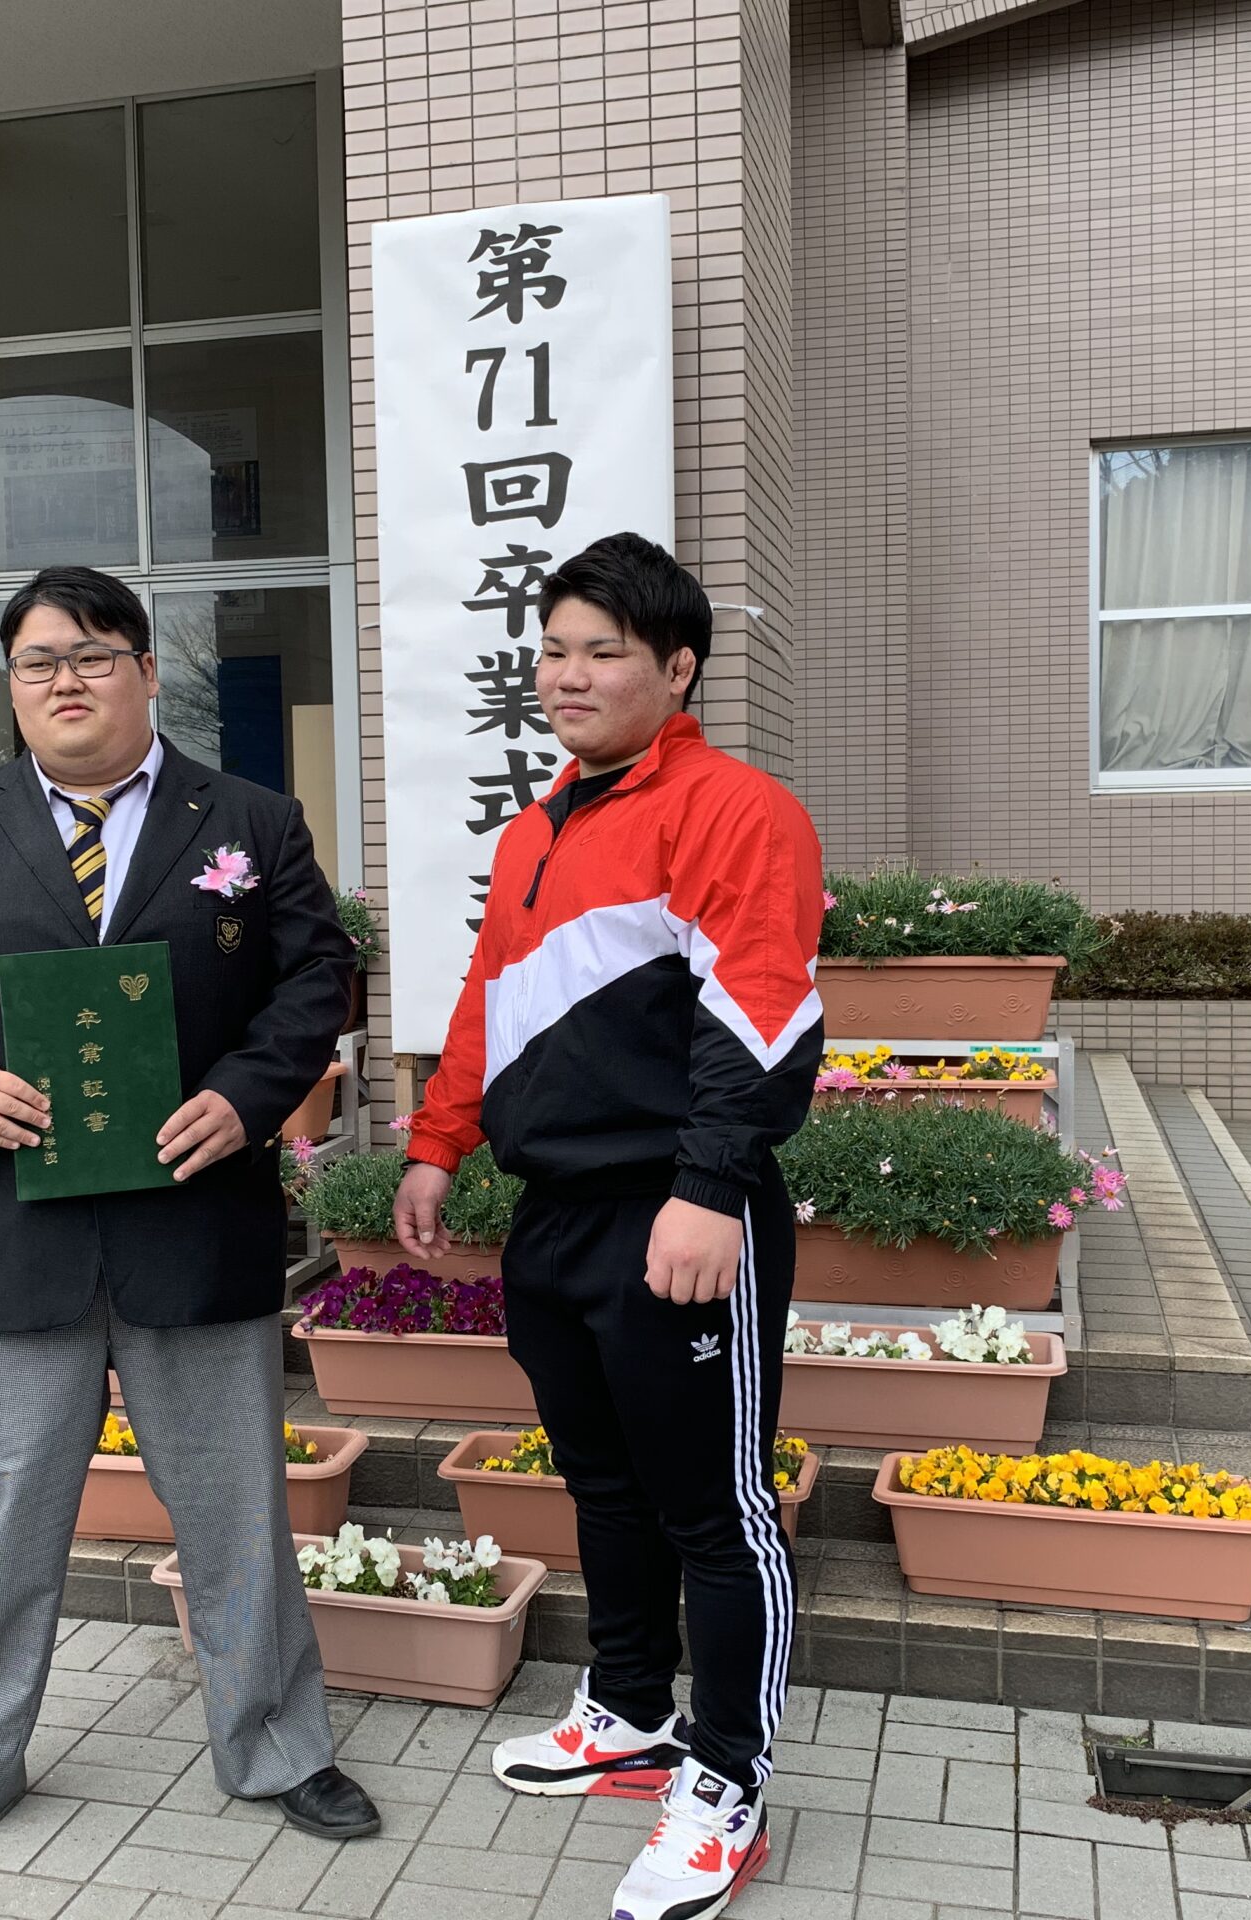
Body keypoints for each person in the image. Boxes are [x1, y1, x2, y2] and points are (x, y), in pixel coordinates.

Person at [0, 565, 378, 1875]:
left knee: (235, 1510)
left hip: (193, 1222)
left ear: (144, 669)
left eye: (92, 655)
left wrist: (248, 1097)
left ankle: (279, 1744)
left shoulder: (248, 820)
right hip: (10, 1231)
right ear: (11, 685)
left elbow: (319, 973)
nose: (65, 680)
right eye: (38, 661)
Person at [393, 532, 824, 1920]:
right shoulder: (540, 828)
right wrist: (437, 1142)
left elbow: (764, 1012)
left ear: (677, 668)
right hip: (557, 1217)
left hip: (677, 1210)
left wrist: (710, 1187)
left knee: (717, 1510)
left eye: (603, 652)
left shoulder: (734, 809)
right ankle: (631, 1707)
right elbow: (489, 1004)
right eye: (554, 650)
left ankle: (728, 1782)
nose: (567, 675)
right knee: (602, 1482)